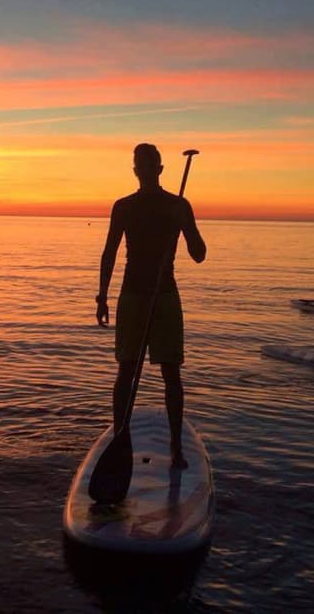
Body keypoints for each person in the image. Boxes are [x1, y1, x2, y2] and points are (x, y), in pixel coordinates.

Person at [96, 143, 206, 469]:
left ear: (159, 169)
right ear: (135, 171)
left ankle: (176, 447)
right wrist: (102, 296)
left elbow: (199, 254)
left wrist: (182, 222)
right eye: (139, 166)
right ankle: (121, 439)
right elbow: (109, 253)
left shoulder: (178, 204)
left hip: (165, 295)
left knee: (171, 373)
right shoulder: (124, 207)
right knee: (126, 371)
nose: (144, 171)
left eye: (150, 165)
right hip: (132, 295)